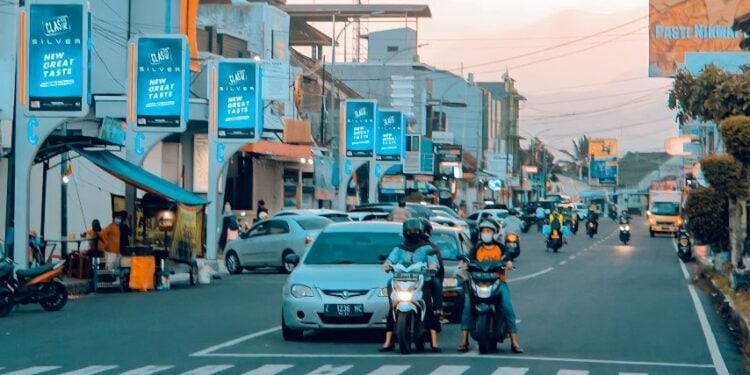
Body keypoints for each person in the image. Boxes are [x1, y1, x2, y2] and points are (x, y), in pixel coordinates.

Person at [457, 219, 523, 353]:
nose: (485, 233)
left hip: (498, 282)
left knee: (507, 307)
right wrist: (465, 264)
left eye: (488, 231)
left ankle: (514, 341)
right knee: (468, 306)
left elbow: (507, 257)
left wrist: (508, 263)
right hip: (478, 283)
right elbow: (468, 259)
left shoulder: (500, 247)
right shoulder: (477, 248)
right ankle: (464, 340)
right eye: (483, 231)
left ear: (494, 233)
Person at [380, 218, 441, 352]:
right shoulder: (398, 249)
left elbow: (433, 261)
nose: (412, 233)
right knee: (392, 305)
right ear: (404, 232)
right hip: (401, 282)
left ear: (420, 232)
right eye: (409, 230)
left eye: (415, 230)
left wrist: (432, 266)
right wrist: (386, 265)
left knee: (428, 306)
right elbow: (390, 259)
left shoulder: (426, 248)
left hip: (421, 281)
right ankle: (388, 340)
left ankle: (434, 339)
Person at [421, 218, 446, 325]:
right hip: (410, 277)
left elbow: (438, 265)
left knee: (436, 282)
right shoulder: (405, 246)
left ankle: (438, 309)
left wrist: (432, 268)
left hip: (427, 276)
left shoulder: (432, 246)